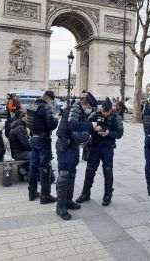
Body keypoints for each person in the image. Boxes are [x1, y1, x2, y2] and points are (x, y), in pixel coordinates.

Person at [55, 92, 97, 220]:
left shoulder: (80, 110)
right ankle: (60, 207)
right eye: (90, 106)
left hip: (72, 146)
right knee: (64, 175)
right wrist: (91, 125)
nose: (89, 109)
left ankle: (68, 201)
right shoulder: (74, 108)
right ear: (86, 104)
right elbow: (72, 125)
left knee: (71, 174)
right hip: (65, 145)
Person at [76, 97, 123, 206]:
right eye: (103, 111)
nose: (104, 113)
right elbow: (86, 127)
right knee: (90, 170)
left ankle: (107, 195)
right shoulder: (95, 114)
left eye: (107, 112)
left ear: (111, 110)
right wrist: (93, 129)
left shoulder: (116, 117)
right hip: (95, 146)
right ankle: (85, 193)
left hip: (108, 147)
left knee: (108, 170)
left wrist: (109, 133)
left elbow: (119, 134)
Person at [27, 91, 59, 203]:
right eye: (52, 100)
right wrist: (56, 119)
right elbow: (51, 124)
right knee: (45, 167)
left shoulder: (32, 105)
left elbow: (29, 122)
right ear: (49, 98)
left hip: (33, 139)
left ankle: (32, 193)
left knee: (33, 166)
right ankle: (45, 196)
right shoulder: (46, 107)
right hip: (43, 140)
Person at [8, 111, 31, 181]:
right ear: (23, 118)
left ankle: (24, 172)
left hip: (18, 152)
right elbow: (26, 144)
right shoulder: (19, 128)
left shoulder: (18, 126)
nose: (29, 119)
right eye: (27, 117)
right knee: (36, 155)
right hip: (19, 153)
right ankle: (31, 176)